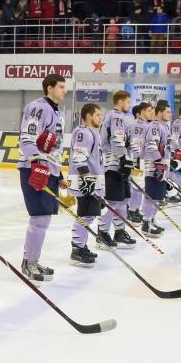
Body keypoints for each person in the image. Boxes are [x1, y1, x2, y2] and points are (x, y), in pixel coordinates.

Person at [16, 73, 66, 282]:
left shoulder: (56, 111)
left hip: (48, 168)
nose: (64, 90)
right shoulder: (39, 107)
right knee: (39, 218)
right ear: (50, 88)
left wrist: (59, 173)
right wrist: (36, 163)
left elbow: (53, 146)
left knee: (44, 218)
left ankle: (33, 259)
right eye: (61, 87)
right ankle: (29, 263)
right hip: (35, 168)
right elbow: (27, 136)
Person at [96, 90, 137, 250]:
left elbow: (126, 141)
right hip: (113, 165)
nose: (130, 105)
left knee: (124, 200)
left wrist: (129, 160)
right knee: (113, 201)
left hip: (120, 164)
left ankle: (119, 231)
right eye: (128, 102)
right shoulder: (116, 116)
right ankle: (102, 233)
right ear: (120, 102)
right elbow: (116, 139)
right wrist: (123, 159)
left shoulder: (122, 117)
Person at [67, 104, 105, 267]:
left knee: (88, 215)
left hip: (92, 180)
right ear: (88, 116)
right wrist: (87, 177)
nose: (100, 118)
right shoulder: (84, 132)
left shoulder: (93, 132)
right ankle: (77, 249)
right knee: (85, 215)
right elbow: (78, 157)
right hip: (85, 181)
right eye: (97, 115)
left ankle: (81, 246)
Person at [139, 100, 170, 236]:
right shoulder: (155, 126)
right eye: (167, 112)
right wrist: (159, 162)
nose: (169, 114)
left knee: (157, 197)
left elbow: (166, 147)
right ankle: (146, 223)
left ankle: (151, 220)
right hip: (154, 167)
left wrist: (171, 160)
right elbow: (151, 145)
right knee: (151, 196)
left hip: (162, 166)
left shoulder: (164, 126)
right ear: (159, 112)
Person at [127, 102, 149, 224]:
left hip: (142, 159)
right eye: (148, 110)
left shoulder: (145, 124)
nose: (151, 113)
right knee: (137, 186)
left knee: (140, 187)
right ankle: (131, 210)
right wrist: (136, 160)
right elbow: (136, 143)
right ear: (141, 112)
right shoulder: (138, 125)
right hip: (137, 159)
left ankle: (134, 209)